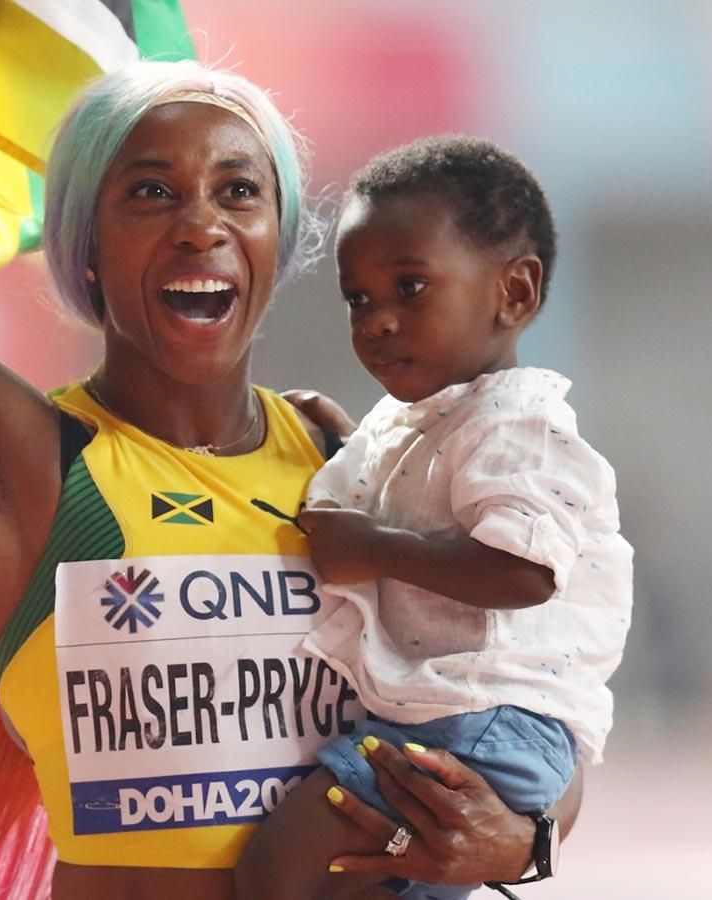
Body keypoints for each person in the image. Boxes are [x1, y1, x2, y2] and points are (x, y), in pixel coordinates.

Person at [0, 2, 581, 896]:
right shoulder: (14, 461)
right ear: (87, 248)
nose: (202, 225)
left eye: (239, 191)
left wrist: (526, 840)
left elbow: (538, 699)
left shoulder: (352, 461)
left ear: (276, 240)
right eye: (151, 192)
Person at [236, 137, 632, 900]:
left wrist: (376, 548)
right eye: (359, 299)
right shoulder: (432, 418)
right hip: (459, 717)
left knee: (278, 871)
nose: (378, 321)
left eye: (410, 287)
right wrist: (355, 442)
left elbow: (521, 571)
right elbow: (431, 497)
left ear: (513, 294)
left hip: (484, 721)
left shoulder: (520, 429)